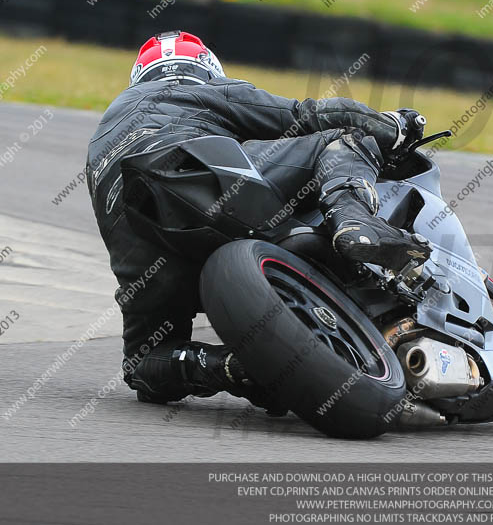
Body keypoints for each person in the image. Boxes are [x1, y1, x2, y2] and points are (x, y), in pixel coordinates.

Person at [86, 30, 431, 410]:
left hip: (140, 242)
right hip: (207, 177)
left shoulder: (102, 133)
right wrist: (392, 126)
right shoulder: (204, 88)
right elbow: (307, 115)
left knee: (142, 365)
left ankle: (228, 367)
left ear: (139, 75)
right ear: (207, 68)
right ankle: (354, 222)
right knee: (343, 138)